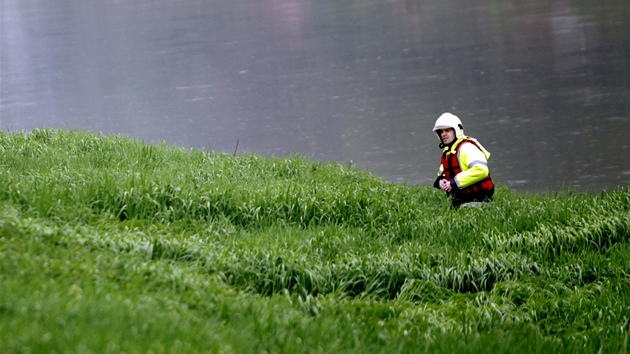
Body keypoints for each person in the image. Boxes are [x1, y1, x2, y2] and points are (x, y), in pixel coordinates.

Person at [432, 112, 494, 208]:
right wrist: (441, 181)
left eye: (447, 130)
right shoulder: (448, 152)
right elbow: (442, 172)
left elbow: (481, 170)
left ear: (456, 131)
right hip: (461, 200)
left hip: (479, 199)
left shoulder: (467, 148)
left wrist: (453, 183)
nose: (443, 134)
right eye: (441, 131)